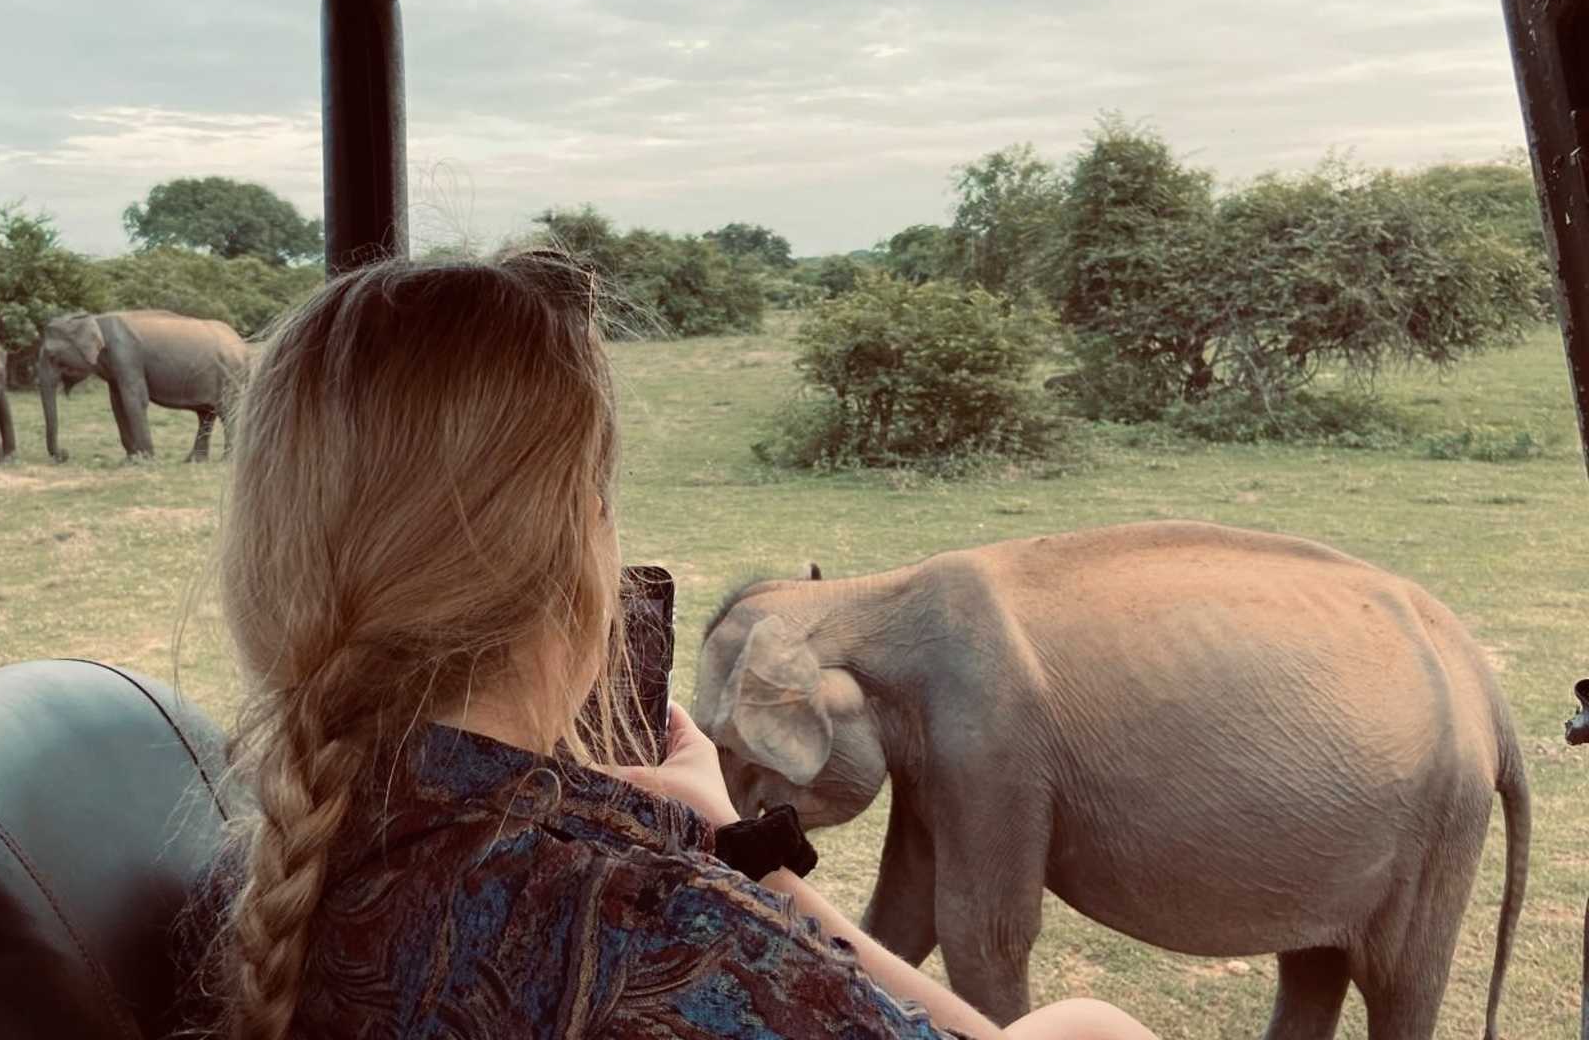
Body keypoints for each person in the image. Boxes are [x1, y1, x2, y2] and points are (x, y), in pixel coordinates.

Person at [185, 252, 1161, 1040]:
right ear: (578, 557)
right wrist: (738, 870)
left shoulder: (287, 854)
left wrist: (737, 854)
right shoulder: (652, 932)